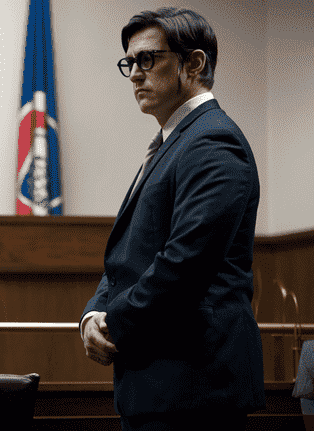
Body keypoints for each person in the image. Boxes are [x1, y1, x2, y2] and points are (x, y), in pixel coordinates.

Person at [80, 7, 264, 430]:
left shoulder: (213, 142)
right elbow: (131, 255)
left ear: (194, 63)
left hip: (194, 388)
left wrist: (116, 324)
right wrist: (94, 313)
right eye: (130, 62)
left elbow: (185, 264)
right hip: (162, 387)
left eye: (148, 59)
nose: (135, 74)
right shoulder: (172, 142)